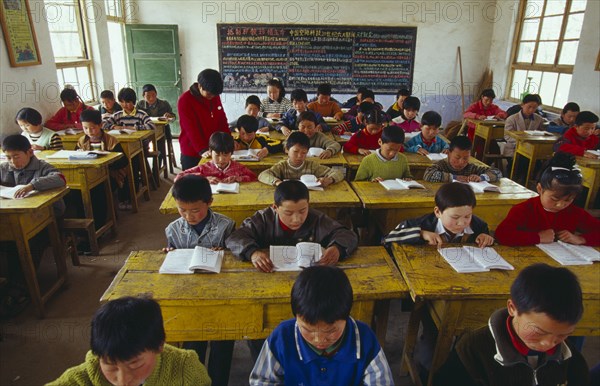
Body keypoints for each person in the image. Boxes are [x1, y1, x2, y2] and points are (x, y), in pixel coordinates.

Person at [433, 263, 589, 386]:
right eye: (539, 331)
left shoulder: (567, 356)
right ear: (513, 308)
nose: (549, 343)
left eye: (563, 334)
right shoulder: (471, 352)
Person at [249, 266, 394, 385]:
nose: (319, 340)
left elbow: (382, 383)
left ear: (347, 317)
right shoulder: (282, 338)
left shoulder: (364, 339)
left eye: (330, 331)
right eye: (307, 330)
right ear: (296, 317)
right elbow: (261, 381)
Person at [162, 175, 234, 385]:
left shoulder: (226, 225)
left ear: (209, 202)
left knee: (223, 340)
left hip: (221, 295)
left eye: (195, 210)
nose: (189, 216)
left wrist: (226, 252)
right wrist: (169, 252)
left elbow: (235, 257)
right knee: (193, 341)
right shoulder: (173, 229)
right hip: (189, 294)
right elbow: (172, 255)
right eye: (182, 210)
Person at [48, 296, 211, 386]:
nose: (123, 381)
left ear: (159, 345)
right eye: (110, 365)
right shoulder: (81, 379)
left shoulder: (184, 368)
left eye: (135, 364)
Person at [225, 180, 358, 272]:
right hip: (269, 275)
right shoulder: (264, 218)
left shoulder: (316, 218)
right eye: (288, 212)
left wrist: (337, 248)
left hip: (307, 279)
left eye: (302, 211)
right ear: (275, 207)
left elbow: (346, 234)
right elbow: (235, 237)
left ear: (308, 204)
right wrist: (252, 252)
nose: (297, 219)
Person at [495, 152, 600, 246]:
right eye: (554, 199)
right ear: (540, 189)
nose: (560, 205)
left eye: (568, 200)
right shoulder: (524, 210)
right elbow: (501, 235)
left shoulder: (574, 212)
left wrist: (581, 239)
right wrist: (538, 237)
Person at [385, 182, 494, 247]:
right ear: (437, 212)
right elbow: (386, 240)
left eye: (467, 216)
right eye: (455, 217)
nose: (461, 223)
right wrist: (420, 234)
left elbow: (488, 247)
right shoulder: (418, 225)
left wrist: (486, 238)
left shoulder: (479, 226)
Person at [78, 109, 130, 212]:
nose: (89, 131)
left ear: (100, 125)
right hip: (88, 175)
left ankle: (101, 220)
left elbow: (123, 161)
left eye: (92, 128)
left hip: (110, 175)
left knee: (98, 189)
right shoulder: (82, 141)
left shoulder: (111, 140)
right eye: (85, 128)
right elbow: (75, 157)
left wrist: (105, 161)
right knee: (76, 192)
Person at [177, 68, 229, 170]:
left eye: (215, 94)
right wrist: (202, 149)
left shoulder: (214, 96)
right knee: (193, 183)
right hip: (192, 152)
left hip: (214, 150)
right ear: (200, 86)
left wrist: (228, 141)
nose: (212, 97)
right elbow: (191, 129)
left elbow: (221, 120)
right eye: (209, 94)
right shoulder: (185, 100)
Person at [1, 134, 66, 212]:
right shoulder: (3, 168)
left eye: (16, 157)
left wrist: (32, 185)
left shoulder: (42, 166)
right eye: (8, 157)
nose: (13, 162)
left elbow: (60, 178)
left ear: (30, 152)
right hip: (15, 209)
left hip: (45, 211)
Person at [257, 131, 344, 187]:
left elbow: (338, 173)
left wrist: (329, 180)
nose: (299, 156)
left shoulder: (312, 166)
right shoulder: (282, 166)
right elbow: (262, 175)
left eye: (304, 153)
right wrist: (277, 182)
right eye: (295, 151)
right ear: (287, 150)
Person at [176, 132, 256, 183]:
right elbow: (179, 177)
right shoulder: (204, 168)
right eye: (217, 155)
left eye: (225, 155)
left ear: (231, 152)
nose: (221, 159)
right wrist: (204, 179)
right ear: (210, 152)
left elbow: (254, 177)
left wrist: (238, 178)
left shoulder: (239, 167)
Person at [423, 136, 502, 183]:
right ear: (448, 153)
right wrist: (454, 177)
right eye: (457, 157)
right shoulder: (441, 165)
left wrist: (481, 177)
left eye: (465, 158)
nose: (461, 162)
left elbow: (497, 173)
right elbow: (428, 175)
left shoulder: (471, 168)